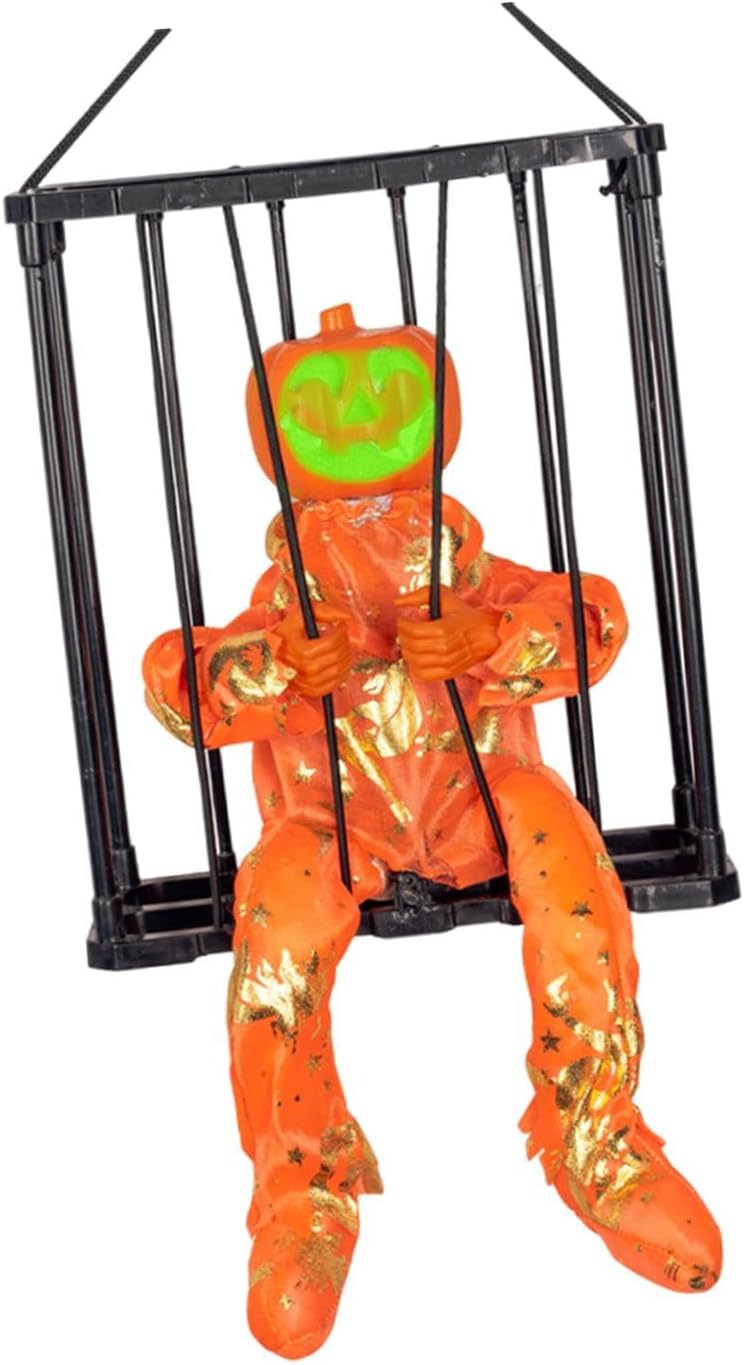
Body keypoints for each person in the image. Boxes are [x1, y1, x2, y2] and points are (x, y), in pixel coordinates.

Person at [143, 303, 721, 1360]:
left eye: (388, 391)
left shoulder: (467, 562)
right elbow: (180, 684)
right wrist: (276, 668)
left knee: (575, 878)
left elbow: (594, 619)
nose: (359, 414)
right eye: (321, 401)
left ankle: (597, 1136)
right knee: (273, 944)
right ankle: (301, 1191)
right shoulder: (287, 590)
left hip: (486, 801)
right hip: (331, 824)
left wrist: (493, 638)